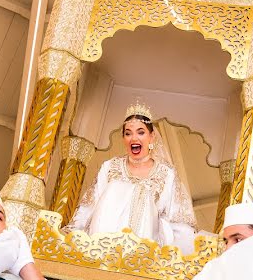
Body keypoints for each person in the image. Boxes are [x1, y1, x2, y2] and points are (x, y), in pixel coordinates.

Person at [66, 102, 199, 253]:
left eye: (140, 132)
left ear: (152, 136)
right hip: (102, 248)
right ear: (123, 138)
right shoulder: (110, 167)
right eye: (128, 133)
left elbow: (178, 218)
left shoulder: (166, 173)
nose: (133, 138)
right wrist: (73, 235)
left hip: (143, 253)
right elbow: (89, 205)